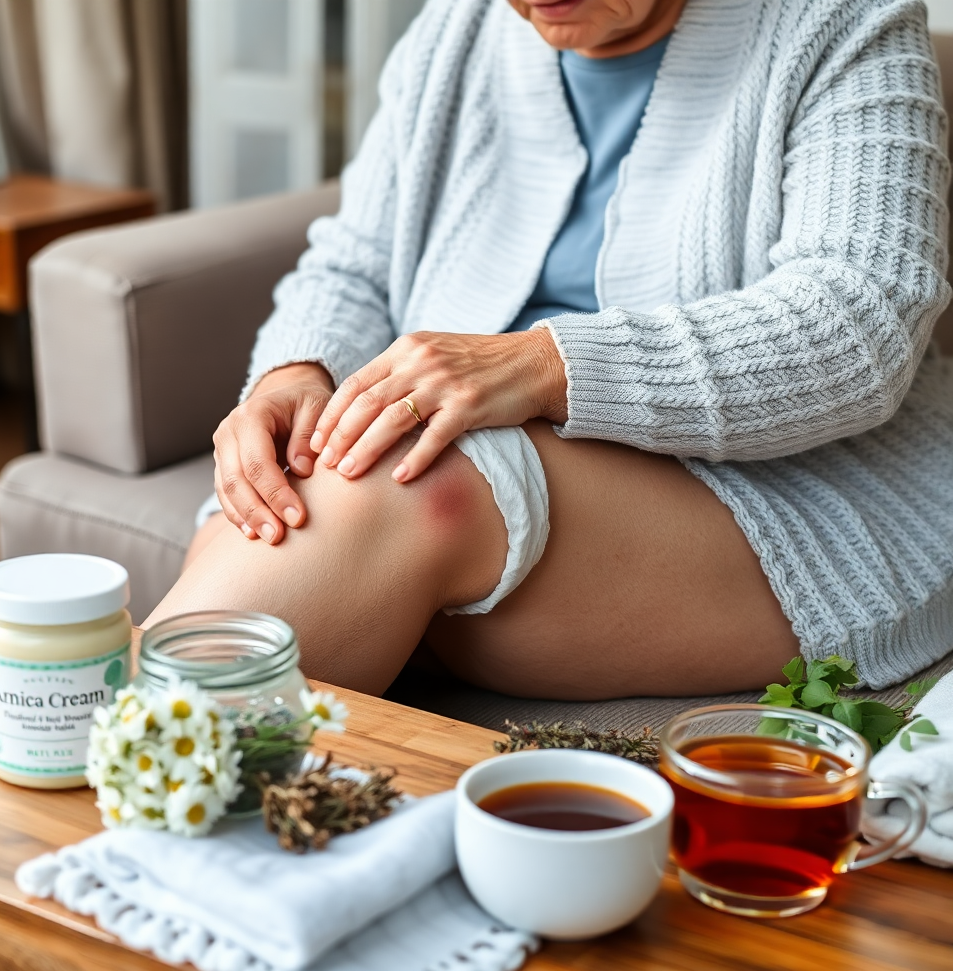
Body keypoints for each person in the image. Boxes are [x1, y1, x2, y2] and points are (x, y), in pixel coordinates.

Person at [145, 0, 953, 703]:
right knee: (288, 498)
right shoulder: (456, 30)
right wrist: (296, 374)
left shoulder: (844, 18)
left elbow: (861, 320)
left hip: (774, 478)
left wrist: (541, 367)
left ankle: (108, 769)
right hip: (483, 448)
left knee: (418, 481)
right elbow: (354, 263)